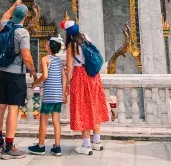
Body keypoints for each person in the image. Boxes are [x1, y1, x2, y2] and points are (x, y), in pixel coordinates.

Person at [0, 0, 37, 160]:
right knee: (13, 108)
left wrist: (13, 5)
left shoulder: (6, 26)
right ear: (26, 16)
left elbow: (3, 18)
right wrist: (33, 71)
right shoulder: (22, 32)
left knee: (0, 106)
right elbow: (26, 55)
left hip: (3, 72)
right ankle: (9, 147)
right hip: (16, 74)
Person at [61, 19, 110, 156]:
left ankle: (86, 144)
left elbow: (70, 68)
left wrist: (67, 85)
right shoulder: (86, 38)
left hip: (80, 77)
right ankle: (97, 142)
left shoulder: (72, 46)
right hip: (93, 76)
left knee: (84, 109)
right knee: (94, 107)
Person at [28, 36, 65, 157]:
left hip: (49, 95)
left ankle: (41, 146)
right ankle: (57, 147)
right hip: (58, 95)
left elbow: (45, 76)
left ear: (50, 47)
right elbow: (64, 78)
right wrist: (63, 93)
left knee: (43, 121)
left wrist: (35, 83)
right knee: (56, 121)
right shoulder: (59, 61)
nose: (45, 45)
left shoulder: (45, 59)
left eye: (47, 44)